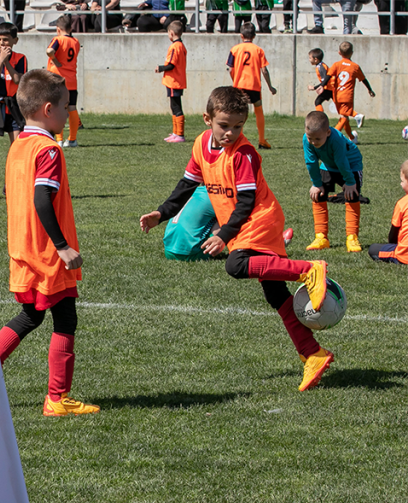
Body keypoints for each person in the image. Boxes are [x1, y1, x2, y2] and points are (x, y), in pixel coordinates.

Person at [140, 86, 333, 392]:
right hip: (242, 223)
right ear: (207, 119)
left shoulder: (244, 154)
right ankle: (313, 353)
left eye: (238, 127)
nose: (231, 133)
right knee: (274, 293)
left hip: (259, 218)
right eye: (224, 126)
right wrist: (160, 213)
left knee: (236, 264)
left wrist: (223, 236)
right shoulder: (202, 144)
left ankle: (309, 269)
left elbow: (246, 202)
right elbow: (187, 185)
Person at [0, 69, 100, 416]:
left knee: (30, 316)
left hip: (23, 246)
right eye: (67, 106)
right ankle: (57, 398)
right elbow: (42, 199)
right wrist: (62, 245)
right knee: (65, 319)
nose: (69, 112)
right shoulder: (48, 150)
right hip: (46, 252)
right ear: (48, 109)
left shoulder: (19, 145)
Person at [303, 111, 364, 252]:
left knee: (352, 196)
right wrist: (317, 184)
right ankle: (321, 237)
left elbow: (342, 161)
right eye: (310, 138)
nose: (313, 142)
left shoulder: (336, 139)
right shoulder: (307, 140)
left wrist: (349, 182)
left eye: (317, 139)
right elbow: (311, 162)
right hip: (328, 165)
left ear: (328, 133)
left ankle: (352, 237)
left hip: (351, 165)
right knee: (318, 195)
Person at [0, 22, 27, 200]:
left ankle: (10, 184)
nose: (3, 44)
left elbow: (18, 79)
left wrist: (8, 62)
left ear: (15, 40)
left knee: (16, 147)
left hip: (15, 104)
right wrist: (1, 60)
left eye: (6, 40)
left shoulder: (21, 58)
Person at [226, 23, 276, 150]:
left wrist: (235, 80)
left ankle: (238, 138)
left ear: (241, 35)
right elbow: (264, 70)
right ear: (254, 36)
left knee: (239, 112)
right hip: (254, 85)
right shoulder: (258, 50)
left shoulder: (235, 49)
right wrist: (270, 87)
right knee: (258, 110)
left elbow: (230, 69)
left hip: (239, 85)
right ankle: (262, 140)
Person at [314, 41, 374, 143]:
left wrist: (322, 86)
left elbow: (328, 76)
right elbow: (364, 80)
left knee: (344, 116)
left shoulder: (336, 65)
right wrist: (370, 90)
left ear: (339, 53)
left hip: (337, 95)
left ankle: (351, 137)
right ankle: (330, 137)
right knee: (344, 117)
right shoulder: (355, 66)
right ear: (352, 53)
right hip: (347, 96)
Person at [46, 16, 80, 146]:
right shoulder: (76, 41)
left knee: (56, 107)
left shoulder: (57, 40)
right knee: (72, 108)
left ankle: (59, 139)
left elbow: (49, 51)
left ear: (58, 29)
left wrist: (55, 60)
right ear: (70, 29)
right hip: (71, 79)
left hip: (57, 79)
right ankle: (72, 139)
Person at [368, 160, 408, 264]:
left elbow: (393, 234)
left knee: (373, 249)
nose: (400, 184)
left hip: (404, 255)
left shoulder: (403, 203)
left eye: (402, 181)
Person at [157, 20, 187, 143]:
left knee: (176, 107)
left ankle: (179, 134)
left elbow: (171, 65)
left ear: (171, 33)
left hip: (174, 81)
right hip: (175, 81)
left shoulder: (175, 47)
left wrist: (160, 68)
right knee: (174, 106)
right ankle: (175, 132)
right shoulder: (181, 46)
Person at [307, 48, 333, 113]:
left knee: (317, 102)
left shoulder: (321, 67)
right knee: (318, 102)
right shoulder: (320, 66)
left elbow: (325, 81)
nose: (309, 60)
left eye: (310, 58)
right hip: (329, 88)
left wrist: (314, 87)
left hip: (331, 88)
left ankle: (321, 118)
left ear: (315, 59)